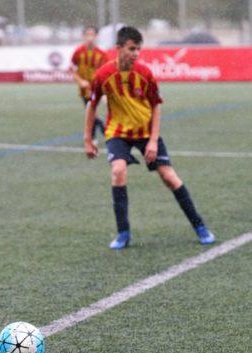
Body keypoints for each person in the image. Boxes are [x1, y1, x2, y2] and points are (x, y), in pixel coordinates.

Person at [84, 26, 215, 250]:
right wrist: (88, 139)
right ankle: (123, 233)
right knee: (118, 171)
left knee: (169, 177)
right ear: (118, 48)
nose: (136, 53)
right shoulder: (103, 74)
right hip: (118, 133)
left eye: (139, 49)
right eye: (131, 48)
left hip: (145, 133)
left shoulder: (145, 74)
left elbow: (156, 105)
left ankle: (200, 226)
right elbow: (92, 105)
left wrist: (153, 141)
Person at [71, 26, 107, 140]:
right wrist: (80, 81)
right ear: (83, 36)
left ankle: (93, 137)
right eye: (87, 35)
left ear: (96, 37)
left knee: (90, 112)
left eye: (92, 35)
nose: (90, 38)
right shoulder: (78, 52)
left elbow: (107, 73)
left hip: (97, 88)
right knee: (91, 112)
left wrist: (105, 91)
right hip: (84, 89)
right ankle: (102, 128)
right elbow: (72, 69)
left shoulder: (102, 54)